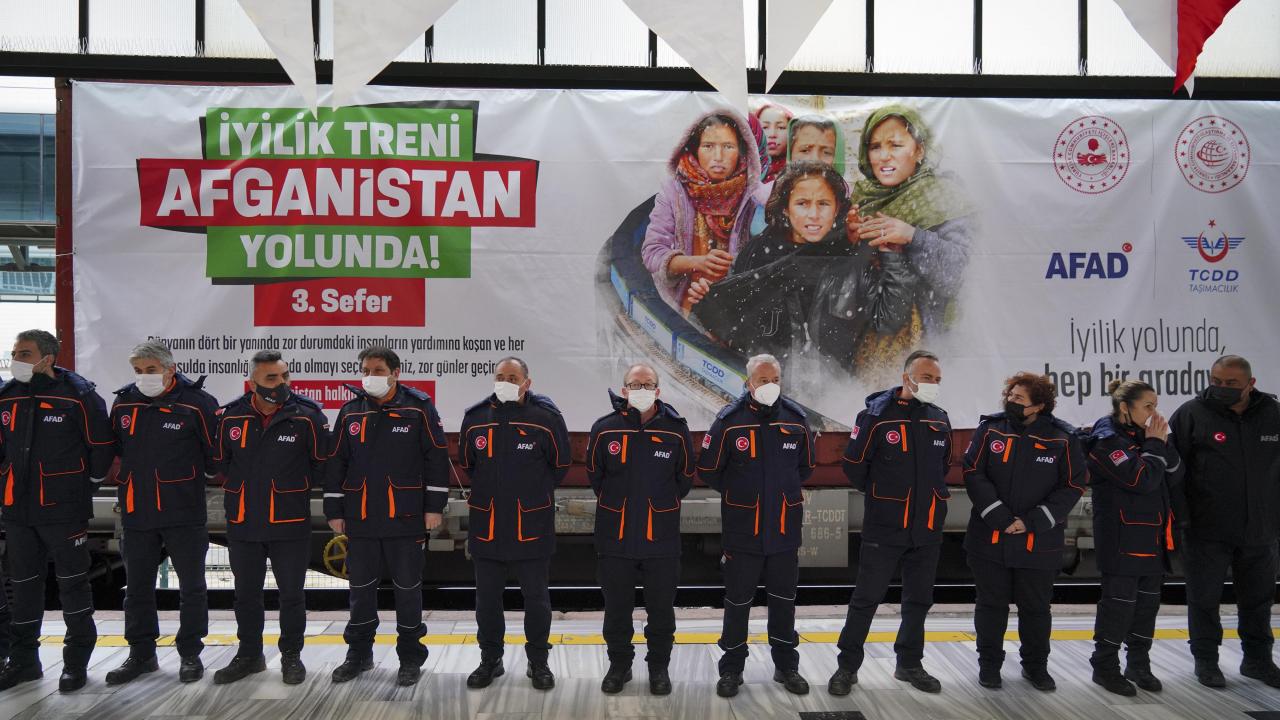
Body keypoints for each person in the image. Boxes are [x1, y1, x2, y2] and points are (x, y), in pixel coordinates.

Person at [691, 162, 916, 368]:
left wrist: (890, 253)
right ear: (785, 208)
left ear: (837, 208)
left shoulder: (851, 256)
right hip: (763, 380)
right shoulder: (757, 253)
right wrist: (710, 298)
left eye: (823, 204)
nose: (814, 215)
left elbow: (889, 319)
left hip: (829, 387)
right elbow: (731, 316)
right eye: (802, 204)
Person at [324, 345, 451, 687]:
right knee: (360, 591)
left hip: (405, 517)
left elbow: (436, 458)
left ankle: (410, 657)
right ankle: (358, 655)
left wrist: (433, 507)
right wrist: (334, 509)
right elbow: (337, 462)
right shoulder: (350, 412)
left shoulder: (418, 408)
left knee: (408, 591)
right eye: (366, 370)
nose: (370, 376)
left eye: (378, 370)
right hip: (361, 518)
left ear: (395, 373)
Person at [830, 350, 951, 695]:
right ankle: (847, 667)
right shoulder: (876, 416)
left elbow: (942, 467)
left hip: (926, 528)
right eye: (927, 377)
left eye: (937, 379)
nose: (933, 384)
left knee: (918, 600)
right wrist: (883, 495)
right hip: (885, 526)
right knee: (866, 599)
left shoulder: (939, 419)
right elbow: (854, 465)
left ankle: (909, 664)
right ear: (906, 378)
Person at [0, 330, 112, 692]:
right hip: (18, 511)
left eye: (24, 353)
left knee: (73, 586)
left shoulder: (78, 396)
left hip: (64, 511)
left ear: (47, 358)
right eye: (15, 352)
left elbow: (101, 447)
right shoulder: (7, 396)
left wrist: (84, 486)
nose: (16, 359)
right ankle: (24, 662)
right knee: (24, 588)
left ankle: (75, 664)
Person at [698, 354, 815, 698]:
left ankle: (786, 666)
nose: (770, 386)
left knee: (784, 601)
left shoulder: (796, 420)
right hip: (743, 531)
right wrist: (740, 493)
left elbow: (805, 467)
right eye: (763, 380)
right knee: (738, 603)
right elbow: (709, 468)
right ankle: (732, 669)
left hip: (783, 530)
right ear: (748, 383)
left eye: (775, 379)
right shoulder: (730, 421)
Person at [961, 372, 1085, 692]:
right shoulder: (990, 430)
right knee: (991, 606)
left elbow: (1072, 485)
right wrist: (999, 517)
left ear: (1039, 406)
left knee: (1036, 609)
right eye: (1010, 395)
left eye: (1019, 398)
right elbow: (973, 471)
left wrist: (1032, 521)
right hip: (990, 538)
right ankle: (989, 665)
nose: (1011, 401)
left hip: (1038, 541)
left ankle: (1035, 667)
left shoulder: (1062, 438)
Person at [211, 350, 328, 686]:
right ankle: (249, 655)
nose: (281, 383)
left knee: (292, 594)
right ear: (253, 383)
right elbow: (221, 463)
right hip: (244, 521)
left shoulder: (307, 416)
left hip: (289, 521)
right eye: (272, 378)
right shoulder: (231, 417)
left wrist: (289, 489)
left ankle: (291, 655)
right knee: (246, 594)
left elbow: (322, 465)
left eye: (285, 376)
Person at [106, 341, 219, 685]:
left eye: (150, 370)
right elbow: (115, 450)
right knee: (137, 588)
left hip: (183, 510)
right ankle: (141, 654)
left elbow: (214, 456)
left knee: (192, 587)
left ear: (170, 369)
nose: (144, 376)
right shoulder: (124, 402)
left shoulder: (197, 403)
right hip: (137, 511)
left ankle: (190, 653)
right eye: (138, 371)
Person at [458, 357, 570, 691]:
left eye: (513, 377)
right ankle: (490, 660)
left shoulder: (545, 419)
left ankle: (538, 662)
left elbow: (560, 465)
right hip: (488, 525)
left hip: (530, 525)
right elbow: (468, 464)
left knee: (537, 600)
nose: (505, 381)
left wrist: (530, 492)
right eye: (500, 376)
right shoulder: (475, 418)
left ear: (527, 383)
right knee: (487, 602)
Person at [1169, 355, 1280, 689]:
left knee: (1259, 599)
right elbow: (1174, 472)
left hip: (1261, 529)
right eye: (1216, 381)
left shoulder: (1273, 414)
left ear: (1251, 384)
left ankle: (1258, 660)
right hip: (1206, 529)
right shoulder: (1191, 414)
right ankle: (1206, 661)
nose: (1221, 388)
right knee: (1203, 599)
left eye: (1231, 383)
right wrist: (1183, 519)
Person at [585, 363, 694, 696]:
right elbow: (596, 476)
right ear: (624, 390)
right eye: (635, 384)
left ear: (658, 391)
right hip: (615, 537)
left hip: (660, 537)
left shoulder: (675, 430)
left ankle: (658, 668)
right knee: (617, 609)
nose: (641, 389)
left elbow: (684, 479)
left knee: (661, 610)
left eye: (648, 384)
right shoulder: (605, 429)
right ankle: (619, 666)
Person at [846, 105, 973, 374]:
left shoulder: (944, 196)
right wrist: (849, 241)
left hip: (930, 343)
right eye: (875, 147)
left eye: (895, 145)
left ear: (919, 150)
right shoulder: (862, 199)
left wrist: (912, 236)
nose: (884, 156)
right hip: (870, 343)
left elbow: (961, 276)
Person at [1082, 379, 1181, 696]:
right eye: (1148, 406)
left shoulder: (1147, 436)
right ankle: (1105, 666)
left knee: (1147, 606)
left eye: (1156, 405)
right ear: (1125, 407)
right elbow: (1142, 479)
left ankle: (1139, 664)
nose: (1155, 413)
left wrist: (1158, 445)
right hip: (1122, 540)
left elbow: (1176, 471)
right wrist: (1155, 447)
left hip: (1153, 537)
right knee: (1118, 607)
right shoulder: (1106, 441)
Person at [642, 110, 762, 315]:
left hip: (737, 308)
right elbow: (652, 252)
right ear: (695, 149)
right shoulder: (673, 192)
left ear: (742, 151)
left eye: (728, 146)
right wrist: (697, 263)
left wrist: (733, 272)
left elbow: (765, 256)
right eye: (708, 146)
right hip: (681, 307)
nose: (718, 157)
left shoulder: (755, 197)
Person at [754, 103, 794, 183]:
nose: (772, 134)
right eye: (765, 127)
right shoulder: (746, 170)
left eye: (781, 127)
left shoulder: (798, 170)